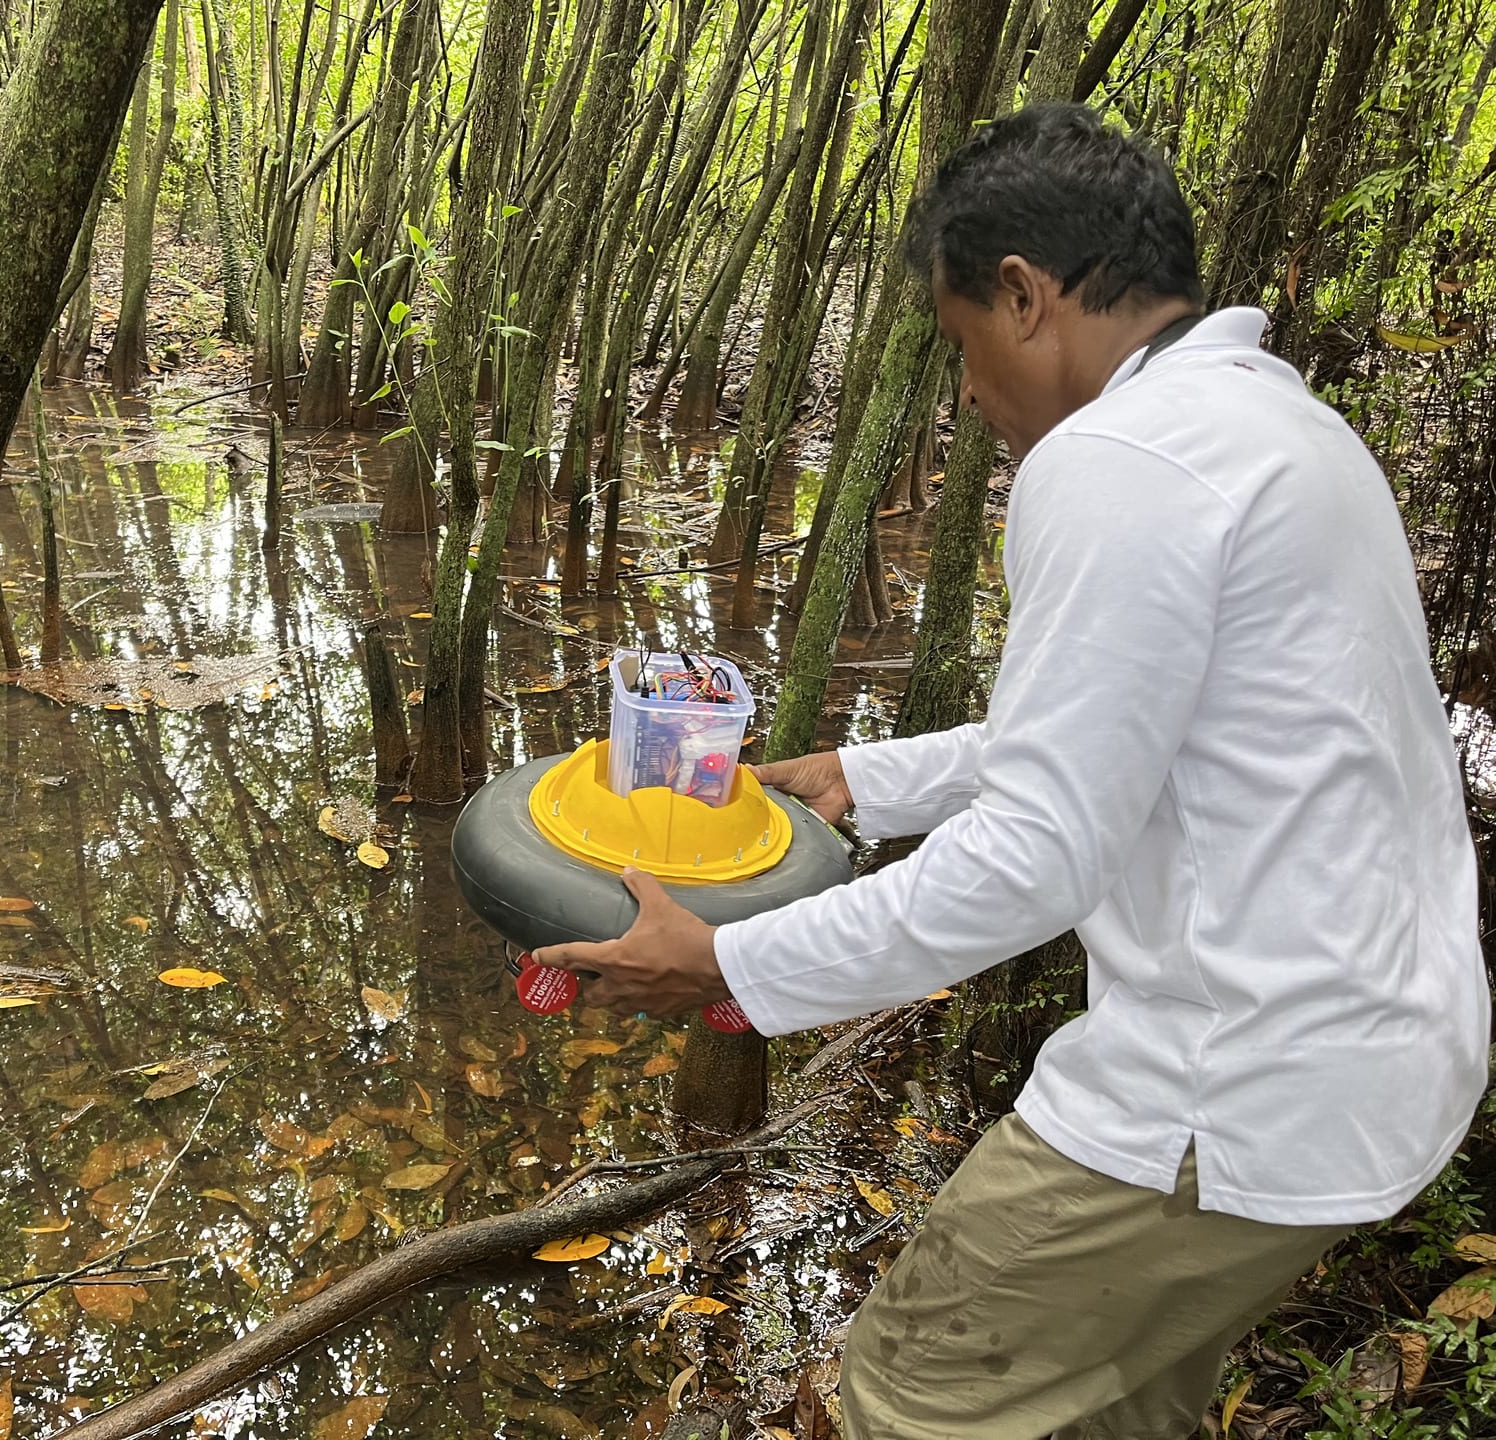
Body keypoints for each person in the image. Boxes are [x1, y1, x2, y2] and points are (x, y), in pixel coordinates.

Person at [532, 103, 1491, 1440]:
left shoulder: (1118, 460)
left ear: (1026, 298)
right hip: (1381, 1065)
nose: (970, 393)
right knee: (1105, 1413)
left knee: (902, 1401)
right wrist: (875, 781)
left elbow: (1043, 851)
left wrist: (733, 968)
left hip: (1227, 1093)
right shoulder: (1281, 437)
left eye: (959, 342)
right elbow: (1134, 741)